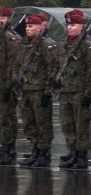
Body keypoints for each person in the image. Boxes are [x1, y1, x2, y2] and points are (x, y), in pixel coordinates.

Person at [51, 9, 91, 169]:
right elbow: (57, 65)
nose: (70, 28)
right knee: (67, 124)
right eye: (68, 25)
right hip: (65, 91)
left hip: (79, 91)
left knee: (80, 125)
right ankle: (73, 151)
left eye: (74, 25)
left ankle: (82, 155)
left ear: (82, 27)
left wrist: (88, 93)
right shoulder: (63, 44)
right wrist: (55, 79)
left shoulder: (87, 46)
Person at [14, 15, 56, 167]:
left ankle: (44, 153)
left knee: (42, 123)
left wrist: (47, 91)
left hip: (39, 90)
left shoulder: (47, 44)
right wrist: (17, 79)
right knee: (29, 122)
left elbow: (52, 69)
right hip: (26, 89)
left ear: (40, 28)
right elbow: (18, 64)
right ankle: (35, 150)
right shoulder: (24, 44)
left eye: (31, 26)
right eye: (27, 26)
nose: (27, 29)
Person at [0, 7, 20, 165]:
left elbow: (13, 64)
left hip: (5, 85)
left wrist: (8, 86)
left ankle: (9, 148)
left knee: (6, 117)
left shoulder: (9, 38)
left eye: (2, 18)